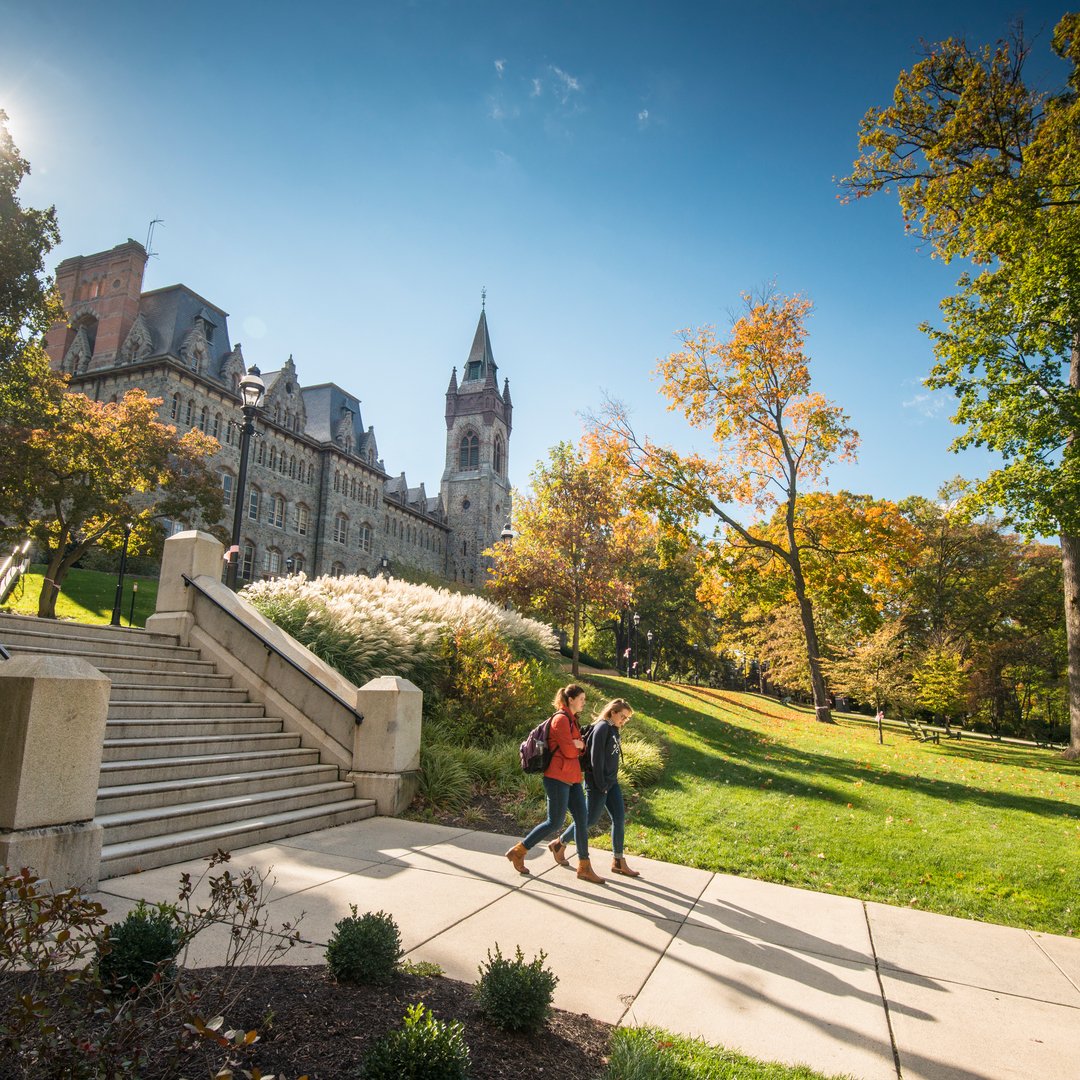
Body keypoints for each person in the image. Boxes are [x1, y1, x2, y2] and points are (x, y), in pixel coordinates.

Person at [505, 684, 605, 884]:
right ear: (570, 700)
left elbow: (579, 749)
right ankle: (519, 850)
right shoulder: (560, 719)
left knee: (582, 821)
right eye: (581, 699)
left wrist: (577, 745)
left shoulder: (572, 721)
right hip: (557, 778)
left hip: (573, 778)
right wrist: (577, 745)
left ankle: (584, 866)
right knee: (555, 822)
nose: (584, 702)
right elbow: (570, 751)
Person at [549, 698, 640, 878]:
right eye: (622, 716)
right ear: (613, 712)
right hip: (598, 783)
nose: (624, 720)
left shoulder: (613, 729)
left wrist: (609, 783)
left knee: (619, 818)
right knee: (589, 820)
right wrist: (601, 785)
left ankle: (618, 861)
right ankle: (560, 843)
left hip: (611, 782)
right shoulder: (602, 728)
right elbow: (595, 760)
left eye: (627, 718)